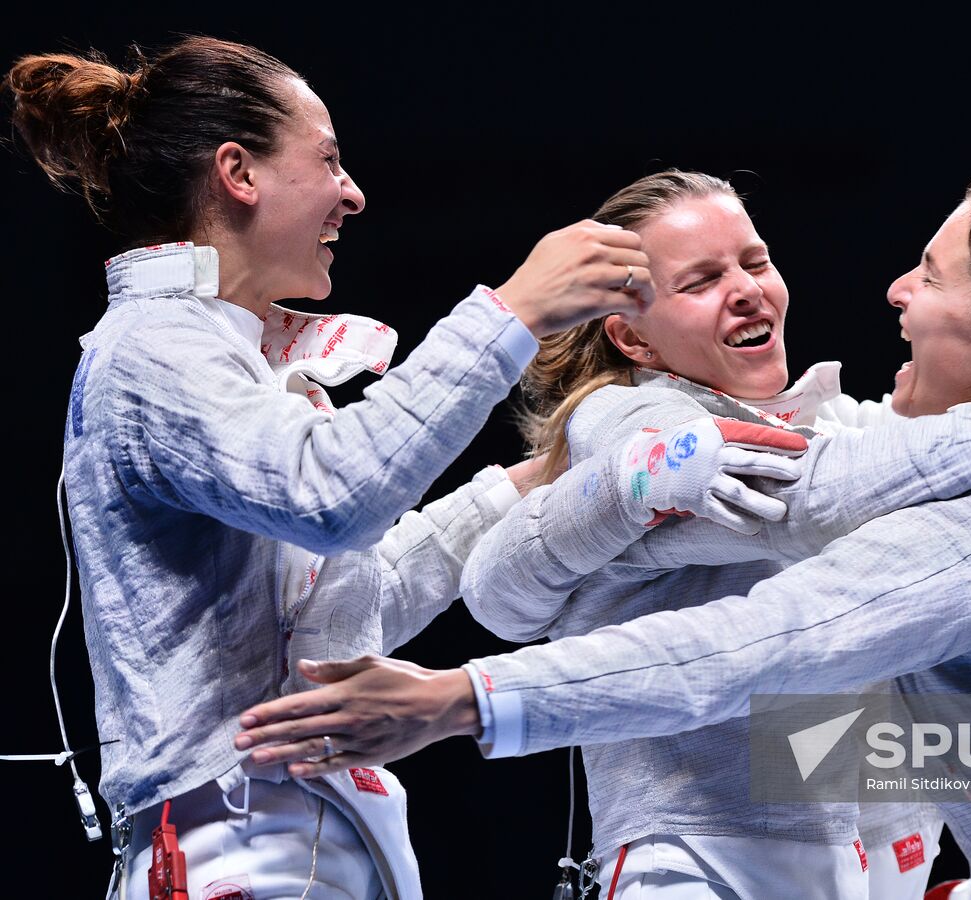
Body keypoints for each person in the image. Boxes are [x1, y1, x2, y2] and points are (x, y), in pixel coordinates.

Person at [235, 167, 971, 898]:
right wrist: (600, 491)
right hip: (701, 856)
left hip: (889, 858)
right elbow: (507, 585)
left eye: (755, 260)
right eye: (700, 280)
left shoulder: (882, 453)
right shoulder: (638, 427)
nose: (752, 289)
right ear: (629, 337)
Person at [0, 35, 729, 900]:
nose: (354, 193)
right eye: (330, 160)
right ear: (239, 173)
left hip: (305, 845)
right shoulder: (153, 352)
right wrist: (512, 313)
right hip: (241, 847)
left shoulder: (228, 358)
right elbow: (333, 496)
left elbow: (347, 610)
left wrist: (526, 484)